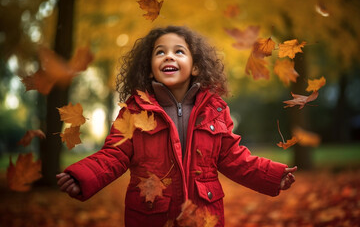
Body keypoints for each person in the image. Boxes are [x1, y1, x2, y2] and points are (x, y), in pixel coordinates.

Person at [56, 25, 297, 227]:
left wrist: (272, 176)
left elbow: (234, 158)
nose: (169, 56)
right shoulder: (133, 111)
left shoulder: (216, 110)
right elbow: (113, 155)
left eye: (179, 51)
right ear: (149, 69)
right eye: (160, 52)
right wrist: (83, 176)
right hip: (152, 215)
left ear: (196, 66)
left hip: (203, 215)